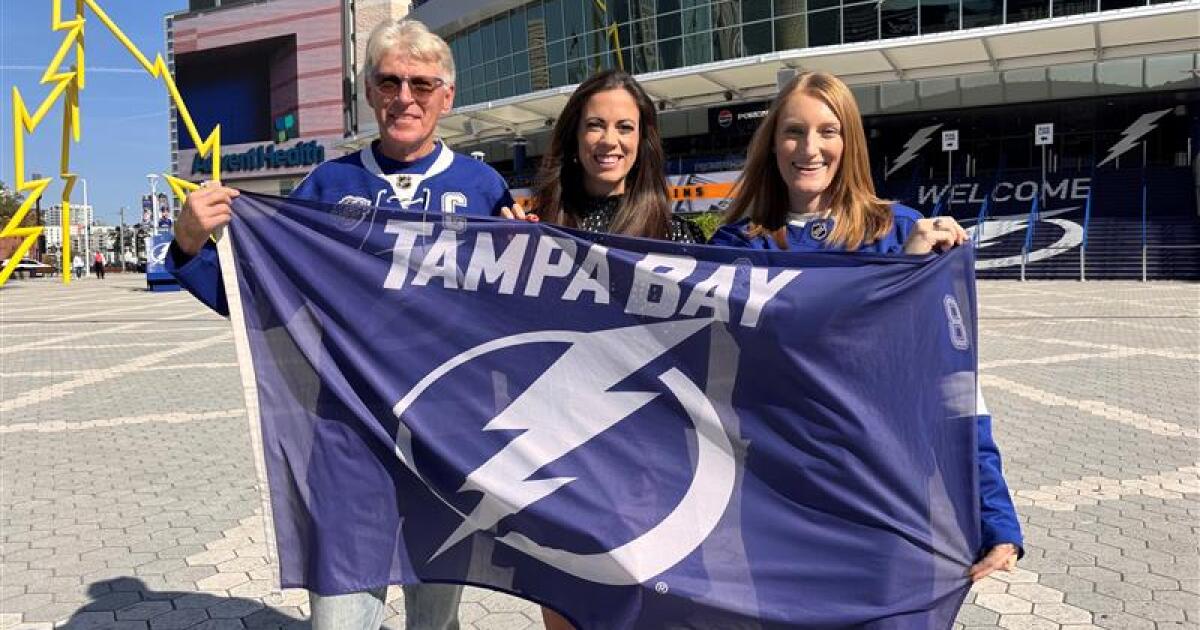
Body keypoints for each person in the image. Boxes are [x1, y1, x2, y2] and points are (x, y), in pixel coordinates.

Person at [167, 18, 513, 630]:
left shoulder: (484, 188)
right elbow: (260, 293)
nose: (405, 97)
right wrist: (192, 242)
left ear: (448, 95)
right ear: (369, 92)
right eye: (389, 81)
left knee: (435, 622)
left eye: (423, 84)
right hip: (347, 440)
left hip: (448, 440)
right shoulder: (326, 185)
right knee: (342, 621)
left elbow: (518, 311)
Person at [710, 71, 1023, 582]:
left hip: (885, 502)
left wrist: (995, 514)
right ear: (771, 144)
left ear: (849, 141)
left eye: (827, 131)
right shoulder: (736, 249)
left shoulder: (903, 233)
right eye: (793, 131)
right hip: (773, 507)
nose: (809, 148)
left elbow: (956, 387)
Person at [502, 69, 703, 630]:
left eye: (624, 126)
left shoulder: (678, 237)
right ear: (572, 137)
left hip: (648, 462)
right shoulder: (532, 231)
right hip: (558, 461)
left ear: (643, 141)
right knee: (567, 611)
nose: (608, 140)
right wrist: (506, 257)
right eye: (594, 125)